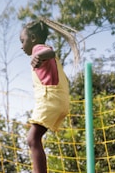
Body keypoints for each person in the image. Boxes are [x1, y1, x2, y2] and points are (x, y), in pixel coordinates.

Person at [20, 19, 78, 173]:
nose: (21, 46)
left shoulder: (38, 49)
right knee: (34, 138)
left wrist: (38, 55)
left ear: (32, 39)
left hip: (50, 99)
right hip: (60, 100)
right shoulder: (45, 56)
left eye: (22, 41)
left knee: (32, 138)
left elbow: (50, 52)